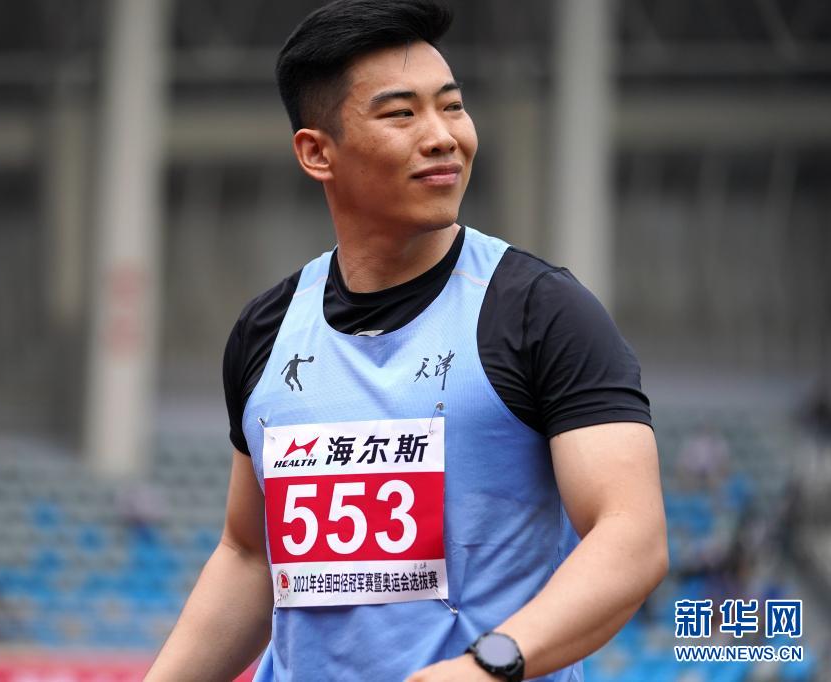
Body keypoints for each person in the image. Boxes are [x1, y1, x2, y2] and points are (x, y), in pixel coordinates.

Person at [147, 1, 667, 680]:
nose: (443, 136)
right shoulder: (266, 330)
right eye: (402, 114)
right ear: (316, 152)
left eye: (452, 107)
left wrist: (486, 667)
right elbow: (249, 555)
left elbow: (631, 536)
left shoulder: (539, 310)